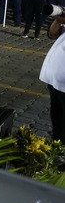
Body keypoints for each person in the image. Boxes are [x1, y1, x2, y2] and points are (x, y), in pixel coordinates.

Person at [40, 13, 65, 143]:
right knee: (57, 119)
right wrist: (58, 21)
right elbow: (52, 34)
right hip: (55, 80)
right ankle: (57, 148)